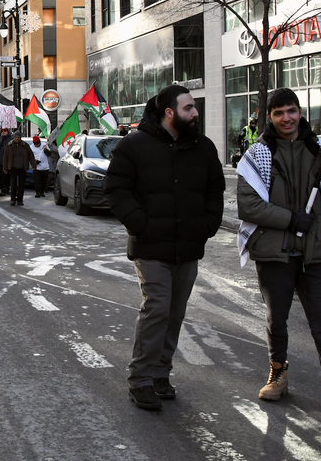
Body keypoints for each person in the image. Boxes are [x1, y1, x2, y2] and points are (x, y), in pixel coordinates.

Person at [236, 88, 321, 415]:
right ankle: (278, 373)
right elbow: (247, 205)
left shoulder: (319, 150)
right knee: (276, 318)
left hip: (315, 253)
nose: (286, 118)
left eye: (291, 111)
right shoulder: (258, 154)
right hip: (274, 253)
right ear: (270, 117)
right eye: (278, 113)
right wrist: (291, 218)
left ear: (300, 112)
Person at [103, 84, 224, 411]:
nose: (195, 113)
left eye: (195, 107)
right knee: (157, 307)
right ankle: (140, 379)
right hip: (150, 246)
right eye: (188, 108)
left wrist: (209, 223)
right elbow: (115, 189)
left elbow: (215, 189)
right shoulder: (135, 145)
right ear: (169, 112)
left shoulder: (203, 148)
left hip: (188, 246)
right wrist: (140, 223)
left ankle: (160, 374)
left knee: (175, 312)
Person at [2, 132, 36, 206]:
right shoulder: (9, 145)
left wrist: (33, 164)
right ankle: (13, 199)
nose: (17, 138)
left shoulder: (25, 145)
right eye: (16, 137)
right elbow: (5, 157)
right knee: (13, 184)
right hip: (13, 167)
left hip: (22, 167)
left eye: (18, 137)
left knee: (22, 184)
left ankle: (20, 199)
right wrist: (5, 168)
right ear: (14, 137)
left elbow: (30, 155)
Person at [29, 134, 52, 198]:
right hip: (37, 167)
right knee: (37, 181)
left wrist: (45, 150)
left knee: (44, 181)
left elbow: (50, 154)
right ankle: (38, 192)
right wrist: (35, 162)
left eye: (37, 144)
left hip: (45, 167)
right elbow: (30, 157)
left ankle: (42, 192)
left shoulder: (44, 145)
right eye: (35, 144)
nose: (37, 145)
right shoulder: (31, 147)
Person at [0, 128, 13, 196]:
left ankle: (8, 188)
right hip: (1, 161)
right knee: (2, 176)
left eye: (5, 131)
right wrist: (2, 140)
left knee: (9, 176)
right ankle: (3, 189)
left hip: (9, 161)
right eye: (3, 131)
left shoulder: (11, 139)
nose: (4, 132)